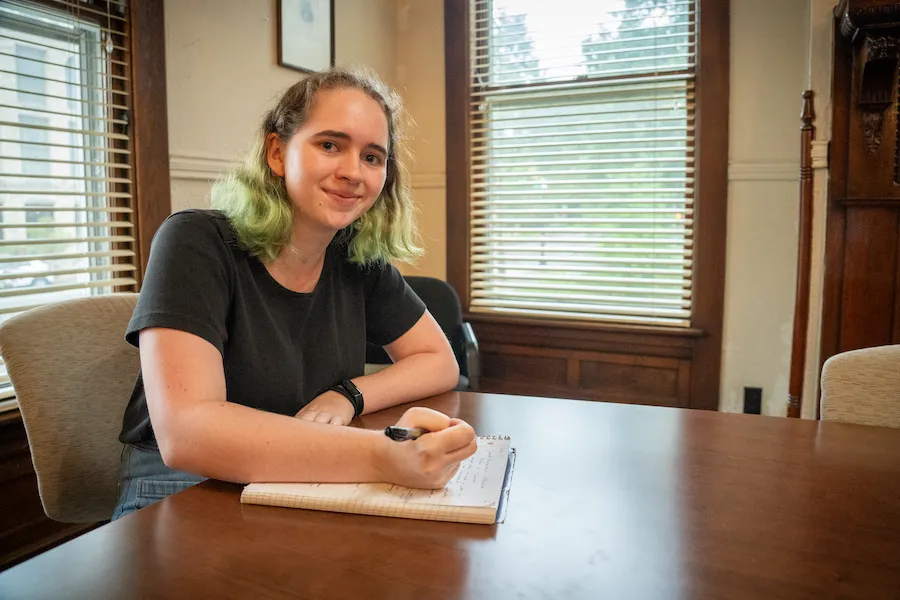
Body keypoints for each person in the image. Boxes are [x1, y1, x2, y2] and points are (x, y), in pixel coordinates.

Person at [112, 67, 476, 520]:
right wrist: (383, 454)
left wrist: (349, 395)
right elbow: (189, 433)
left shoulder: (356, 258)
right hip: (185, 488)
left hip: (302, 476)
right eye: (330, 145)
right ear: (277, 152)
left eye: (373, 157)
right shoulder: (194, 241)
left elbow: (440, 361)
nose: (353, 172)